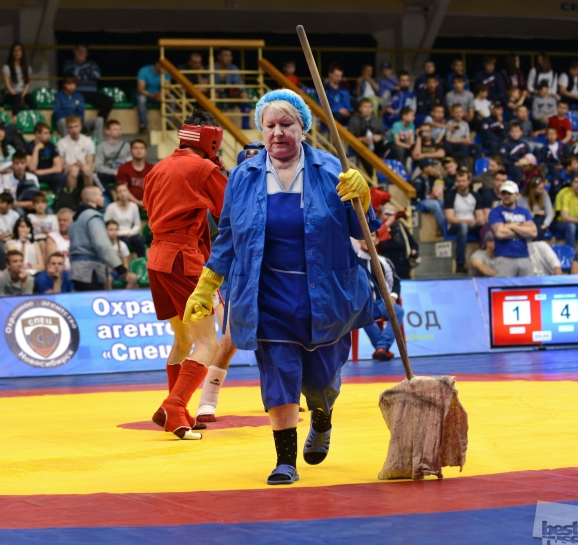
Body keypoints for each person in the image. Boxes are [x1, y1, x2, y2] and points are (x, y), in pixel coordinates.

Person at [184, 89, 376, 484]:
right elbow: (228, 238)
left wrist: (364, 198)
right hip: (267, 296)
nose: (277, 133)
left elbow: (362, 232)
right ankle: (285, 461)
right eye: (269, 125)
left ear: (303, 128)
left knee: (322, 381)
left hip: (326, 296)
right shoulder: (243, 176)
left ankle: (322, 417)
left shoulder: (333, 171)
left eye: (286, 124)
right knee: (277, 374)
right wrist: (206, 286)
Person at [143, 109, 227, 440]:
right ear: (212, 140)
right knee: (209, 342)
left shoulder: (157, 168)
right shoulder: (203, 169)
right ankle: (175, 406)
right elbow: (231, 212)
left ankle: (172, 410)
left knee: (183, 340)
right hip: (183, 259)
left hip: (157, 259)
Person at [69, 186, 135, 292]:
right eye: (100, 195)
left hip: (77, 269)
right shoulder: (93, 217)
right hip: (90, 271)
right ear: (93, 199)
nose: (103, 198)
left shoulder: (76, 218)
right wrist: (120, 268)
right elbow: (102, 245)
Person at [357, 230, 403, 361]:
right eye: (363, 235)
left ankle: (381, 348)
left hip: (380, 303)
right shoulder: (352, 261)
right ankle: (383, 348)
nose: (367, 238)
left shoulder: (384, 261)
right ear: (358, 240)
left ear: (377, 240)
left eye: (371, 235)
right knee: (361, 313)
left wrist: (393, 296)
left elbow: (395, 282)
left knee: (398, 311)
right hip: (362, 305)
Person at [488, 180, 537, 277]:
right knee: (503, 286)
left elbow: (533, 232)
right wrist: (522, 227)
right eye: (504, 193)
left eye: (509, 193)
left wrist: (510, 226)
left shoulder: (524, 211)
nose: (506, 196)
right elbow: (500, 233)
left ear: (517, 195)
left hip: (524, 256)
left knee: (528, 286)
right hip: (504, 257)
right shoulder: (495, 212)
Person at [61, 45, 115, 125]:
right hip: (75, 93)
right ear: (74, 52)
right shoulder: (69, 64)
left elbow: (97, 75)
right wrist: (87, 73)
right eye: (79, 51)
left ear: (87, 54)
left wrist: (82, 77)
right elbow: (71, 75)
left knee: (109, 101)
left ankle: (98, 125)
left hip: (91, 93)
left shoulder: (92, 64)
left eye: (84, 52)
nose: (81, 53)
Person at [444, 168, 485, 273]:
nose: (461, 183)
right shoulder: (450, 195)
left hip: (472, 224)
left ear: (469, 181)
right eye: (458, 181)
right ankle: (460, 263)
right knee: (463, 227)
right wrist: (467, 221)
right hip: (455, 225)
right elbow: (450, 219)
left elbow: (480, 216)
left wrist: (478, 221)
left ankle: (485, 260)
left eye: (463, 181)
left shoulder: (475, 196)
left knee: (485, 227)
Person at [53, 76, 103, 141]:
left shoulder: (79, 96)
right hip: (65, 121)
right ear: (64, 85)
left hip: (79, 120)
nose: (72, 86)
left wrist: (77, 119)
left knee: (99, 120)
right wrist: (70, 119)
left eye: (73, 84)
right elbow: (57, 112)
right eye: (69, 84)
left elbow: (81, 111)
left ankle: (97, 142)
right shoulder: (58, 96)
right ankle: (67, 142)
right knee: (62, 121)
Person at [347, 98, 389, 174]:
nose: (368, 109)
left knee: (390, 146)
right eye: (365, 107)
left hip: (376, 146)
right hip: (360, 146)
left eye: (370, 107)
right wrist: (361, 139)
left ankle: (386, 171)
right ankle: (373, 174)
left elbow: (384, 135)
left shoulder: (377, 120)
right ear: (360, 108)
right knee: (362, 151)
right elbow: (349, 137)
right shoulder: (354, 120)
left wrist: (379, 137)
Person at [103, 183, 145, 258]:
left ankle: (142, 262)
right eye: (120, 192)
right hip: (117, 233)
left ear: (128, 192)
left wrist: (131, 232)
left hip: (130, 233)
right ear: (116, 194)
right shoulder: (111, 207)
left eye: (124, 191)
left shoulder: (134, 206)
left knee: (139, 241)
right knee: (125, 242)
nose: (123, 194)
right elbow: (106, 224)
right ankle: (123, 263)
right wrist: (117, 232)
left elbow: (137, 224)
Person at [56, 115, 96, 193]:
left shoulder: (88, 141)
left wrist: (82, 166)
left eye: (76, 126)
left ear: (81, 126)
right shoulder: (61, 143)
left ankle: (89, 195)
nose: (74, 130)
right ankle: (72, 196)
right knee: (74, 170)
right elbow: (61, 165)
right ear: (67, 128)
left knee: (87, 169)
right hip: (68, 169)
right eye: (71, 127)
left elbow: (90, 162)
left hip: (84, 167)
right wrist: (73, 165)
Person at [26, 122, 66, 194]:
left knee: (59, 177)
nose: (48, 135)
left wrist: (41, 172)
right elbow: (32, 168)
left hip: (47, 173)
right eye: (45, 133)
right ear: (37, 134)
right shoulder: (28, 147)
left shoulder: (51, 146)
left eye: (49, 133)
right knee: (29, 178)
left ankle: (57, 198)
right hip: (34, 175)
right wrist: (36, 149)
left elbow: (59, 168)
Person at [0, 43, 35, 118]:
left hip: (23, 93)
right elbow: (8, 86)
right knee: (16, 98)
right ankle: (14, 118)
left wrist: (22, 96)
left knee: (30, 99)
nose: (17, 53)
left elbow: (27, 84)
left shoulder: (27, 67)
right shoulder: (6, 68)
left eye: (19, 50)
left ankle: (34, 118)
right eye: (15, 50)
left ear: (22, 52)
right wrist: (18, 96)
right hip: (11, 94)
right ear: (12, 53)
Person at [94, 119, 130, 192]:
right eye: (115, 129)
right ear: (107, 131)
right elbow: (98, 166)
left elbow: (130, 161)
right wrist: (113, 172)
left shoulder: (126, 145)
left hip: (123, 173)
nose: (118, 131)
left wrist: (122, 172)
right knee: (97, 176)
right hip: (108, 173)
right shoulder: (102, 146)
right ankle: (109, 197)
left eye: (120, 129)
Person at [115, 139, 153, 209]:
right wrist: (138, 203)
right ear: (130, 152)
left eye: (141, 148)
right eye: (135, 148)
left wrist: (147, 203)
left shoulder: (152, 169)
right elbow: (122, 189)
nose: (139, 151)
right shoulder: (123, 168)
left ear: (146, 152)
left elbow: (155, 189)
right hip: (129, 204)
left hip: (150, 203)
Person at [136, 61, 169, 134]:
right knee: (141, 99)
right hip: (147, 95)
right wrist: (154, 96)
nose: (164, 68)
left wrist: (161, 95)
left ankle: (169, 125)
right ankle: (143, 126)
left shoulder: (166, 72)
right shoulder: (144, 71)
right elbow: (140, 89)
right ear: (157, 64)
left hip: (160, 96)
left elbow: (167, 90)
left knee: (172, 99)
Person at [105, 220, 138, 289]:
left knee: (133, 278)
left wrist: (122, 271)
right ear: (105, 230)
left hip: (119, 272)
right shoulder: (102, 245)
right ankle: (109, 296)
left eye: (116, 229)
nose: (114, 232)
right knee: (107, 280)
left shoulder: (122, 245)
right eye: (111, 230)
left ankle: (126, 295)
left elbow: (125, 264)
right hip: (107, 272)